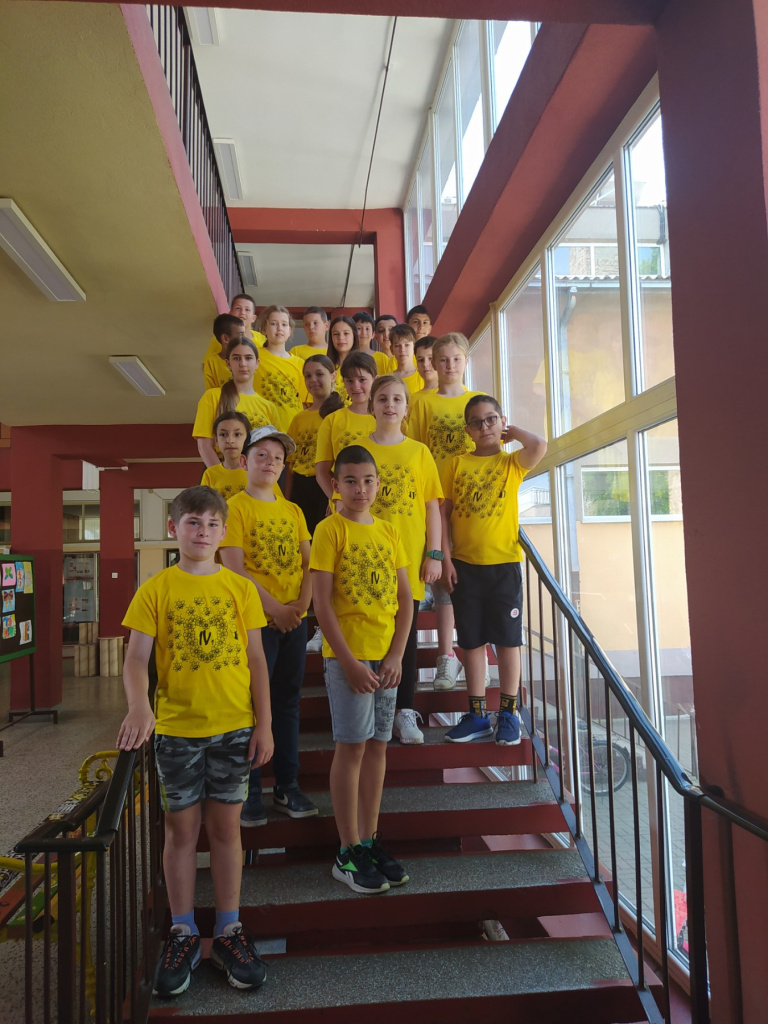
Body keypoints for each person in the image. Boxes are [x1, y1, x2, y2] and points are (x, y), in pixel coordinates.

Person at [116, 486, 272, 997]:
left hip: (234, 727)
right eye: (192, 523)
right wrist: (140, 705)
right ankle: (182, 930)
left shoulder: (240, 588)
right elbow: (136, 659)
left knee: (226, 830)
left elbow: (256, 661)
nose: (203, 532)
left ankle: (229, 929)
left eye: (211, 524)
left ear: (223, 532)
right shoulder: (155, 589)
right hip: (178, 731)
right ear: (173, 528)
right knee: (181, 832)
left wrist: (265, 724)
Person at [310, 445, 412, 893]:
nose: (360, 489)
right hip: (348, 660)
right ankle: (347, 850)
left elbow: (406, 599)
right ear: (336, 485)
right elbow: (322, 604)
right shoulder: (329, 530)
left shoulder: (389, 531)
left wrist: (397, 655)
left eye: (368, 480)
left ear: (378, 484)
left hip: (385, 659)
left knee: (377, 749)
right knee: (351, 749)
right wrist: (348, 662)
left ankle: (369, 841)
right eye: (350, 481)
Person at [220, 427, 317, 824]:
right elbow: (235, 570)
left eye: (278, 458)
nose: (271, 463)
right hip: (256, 623)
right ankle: (249, 789)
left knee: (287, 702)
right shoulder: (234, 508)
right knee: (251, 705)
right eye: (262, 455)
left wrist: (301, 606)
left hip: (294, 620)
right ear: (245, 461)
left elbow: (310, 563)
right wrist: (276, 609)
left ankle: (286, 786)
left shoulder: (293, 511)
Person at [441, 396, 547, 743]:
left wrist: (512, 431)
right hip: (465, 566)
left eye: (491, 419)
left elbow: (539, 445)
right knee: (471, 641)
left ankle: (508, 713)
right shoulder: (456, 464)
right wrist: (444, 557)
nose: (484, 427)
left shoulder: (511, 463)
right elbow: (443, 514)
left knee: (507, 640)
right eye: (476, 422)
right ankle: (477, 716)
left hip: (504, 566)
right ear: (467, 430)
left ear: (501, 421)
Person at [360, 376, 442, 744]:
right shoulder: (357, 450)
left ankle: (403, 710)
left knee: (405, 638)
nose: (389, 405)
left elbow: (432, 507)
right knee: (369, 630)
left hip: (409, 557)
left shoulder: (419, 452)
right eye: (382, 398)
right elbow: (341, 504)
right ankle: (368, 708)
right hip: (367, 559)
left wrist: (434, 554)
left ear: (407, 408)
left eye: (397, 399)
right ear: (371, 405)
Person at [405, 333, 484, 691]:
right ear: (433, 364)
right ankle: (445, 657)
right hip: (435, 502)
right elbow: (415, 451)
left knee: (471, 580)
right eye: (443, 359)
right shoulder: (421, 402)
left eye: (456, 359)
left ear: (466, 361)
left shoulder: (476, 402)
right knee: (441, 584)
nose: (450, 365)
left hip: (470, 502)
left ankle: (474, 653)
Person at [193, 338, 285, 468]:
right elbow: (204, 446)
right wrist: (224, 476)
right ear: (228, 363)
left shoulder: (268, 407)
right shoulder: (212, 397)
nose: (243, 364)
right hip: (221, 470)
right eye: (236, 358)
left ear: (257, 363)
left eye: (248, 358)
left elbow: (275, 450)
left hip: (258, 474)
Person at [315, 351, 377, 502]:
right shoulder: (332, 420)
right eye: (349, 381)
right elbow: (322, 472)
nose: (356, 386)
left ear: (375, 380)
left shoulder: (387, 418)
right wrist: (338, 501)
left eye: (362, 380)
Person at [285, 354, 336, 534]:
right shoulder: (299, 419)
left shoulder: (340, 415)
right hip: (301, 487)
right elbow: (291, 464)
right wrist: (287, 499)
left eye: (319, 374)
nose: (313, 380)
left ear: (333, 376)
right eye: (308, 376)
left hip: (327, 486)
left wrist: (335, 497)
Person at [253, 305, 305, 427]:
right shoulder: (253, 356)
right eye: (273, 324)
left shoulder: (300, 363)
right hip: (261, 427)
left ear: (290, 330)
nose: (279, 328)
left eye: (284, 324)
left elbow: (304, 402)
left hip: (292, 427)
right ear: (264, 329)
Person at [201, 295, 264, 387]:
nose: (242, 313)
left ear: (254, 318)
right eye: (238, 308)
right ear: (230, 313)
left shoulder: (262, 339)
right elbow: (207, 366)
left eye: (247, 310)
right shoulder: (217, 341)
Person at [200, 411, 251, 500]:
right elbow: (203, 505)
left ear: (247, 438)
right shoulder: (210, 474)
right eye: (223, 434)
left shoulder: (258, 472)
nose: (230, 440)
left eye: (237, 434)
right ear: (216, 440)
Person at [202, 313, 246, 391]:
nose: (245, 338)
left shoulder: (247, 359)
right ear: (225, 338)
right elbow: (211, 392)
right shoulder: (211, 363)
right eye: (241, 335)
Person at [326, 315, 359, 403]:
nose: (341, 338)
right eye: (336, 334)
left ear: (354, 336)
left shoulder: (364, 366)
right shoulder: (325, 368)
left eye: (346, 333)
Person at [389, 324, 424, 395]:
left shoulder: (422, 375)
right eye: (397, 346)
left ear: (414, 347)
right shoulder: (388, 378)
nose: (402, 350)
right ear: (392, 349)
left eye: (407, 345)